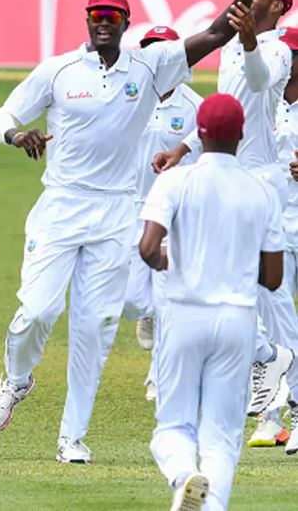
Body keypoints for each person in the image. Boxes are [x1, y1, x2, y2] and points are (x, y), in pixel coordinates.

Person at [0, 0, 271, 464]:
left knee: (94, 329)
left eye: (113, 16)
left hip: (115, 214)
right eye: (97, 15)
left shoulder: (149, 66)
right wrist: (15, 133)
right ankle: (17, 380)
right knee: (38, 312)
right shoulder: (58, 70)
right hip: (61, 205)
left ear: (125, 24)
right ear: (87, 20)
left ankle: (72, 437)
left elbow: (217, 31)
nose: (103, 22)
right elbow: (1, 115)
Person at [152, 0, 297, 431]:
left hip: (261, 181)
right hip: (231, 175)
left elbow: (258, 85)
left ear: (276, 7)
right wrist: (184, 148)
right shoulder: (234, 45)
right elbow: (225, 110)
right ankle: (271, 397)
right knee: (236, 284)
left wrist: (251, 43)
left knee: (271, 297)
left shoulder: (273, 49)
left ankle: (287, 394)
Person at [139, 92, 284, 511]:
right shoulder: (259, 191)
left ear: (199, 135)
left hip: (185, 313)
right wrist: (235, 261)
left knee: (172, 426)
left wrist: (174, 260)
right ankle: (211, 506)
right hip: (238, 319)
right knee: (222, 434)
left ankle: (185, 476)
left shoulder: (175, 181)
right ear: (241, 134)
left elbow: (148, 248)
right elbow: (273, 279)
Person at [121, 26, 202, 402]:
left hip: (176, 215)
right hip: (128, 207)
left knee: (170, 300)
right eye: (150, 50)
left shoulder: (195, 106)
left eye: (163, 50)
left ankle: (159, 376)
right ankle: (148, 316)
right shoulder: (129, 96)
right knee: (133, 300)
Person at [267, 25, 298, 454]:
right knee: (278, 324)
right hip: (274, 226)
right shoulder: (264, 102)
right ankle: (276, 413)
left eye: (290, 54)